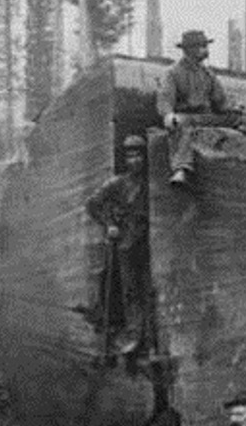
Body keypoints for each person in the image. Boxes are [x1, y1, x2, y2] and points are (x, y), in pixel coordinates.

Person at [85, 135, 149, 354]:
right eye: (131, 156)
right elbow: (93, 204)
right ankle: (133, 335)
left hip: (149, 241)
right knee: (130, 290)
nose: (135, 161)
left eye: (139, 155)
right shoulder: (117, 183)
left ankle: (146, 333)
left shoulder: (152, 184)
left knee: (148, 289)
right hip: (127, 243)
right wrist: (109, 224)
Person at [156, 30, 230, 186]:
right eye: (201, 46)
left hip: (205, 117)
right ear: (189, 49)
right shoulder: (172, 73)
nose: (205, 50)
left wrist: (232, 111)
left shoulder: (208, 75)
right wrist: (168, 115)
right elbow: (165, 98)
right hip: (184, 117)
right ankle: (181, 168)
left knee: (236, 120)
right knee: (185, 128)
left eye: (205, 45)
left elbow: (221, 102)